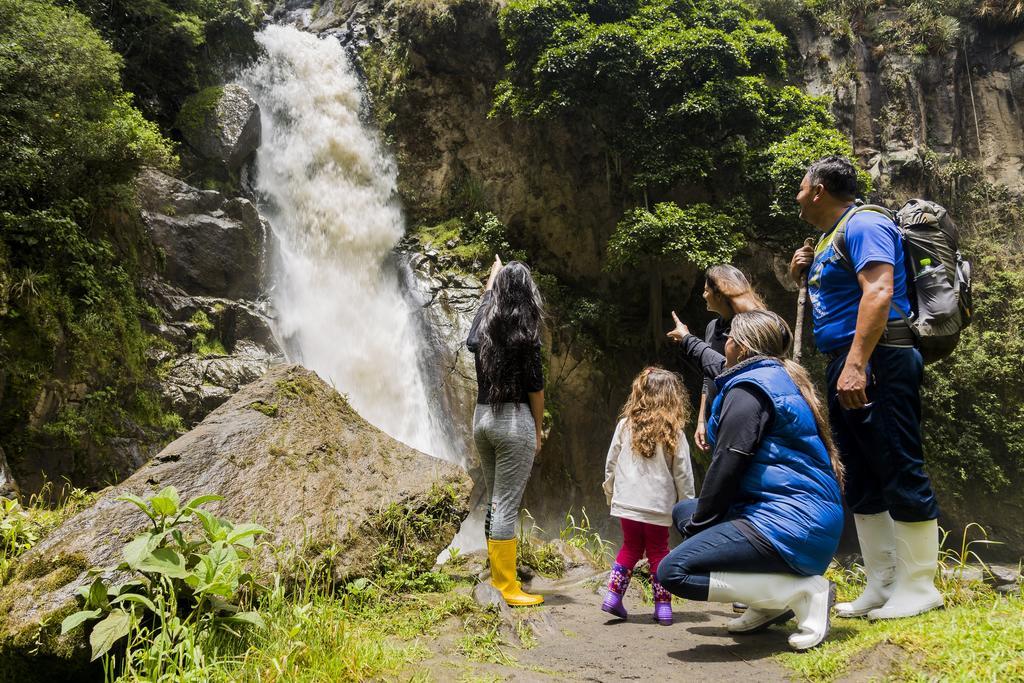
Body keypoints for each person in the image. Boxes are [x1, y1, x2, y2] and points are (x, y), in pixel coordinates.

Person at [789, 156, 943, 620]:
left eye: (801, 185)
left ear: (818, 190)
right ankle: (882, 583)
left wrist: (857, 363)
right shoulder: (829, 237)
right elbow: (838, 296)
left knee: (898, 460)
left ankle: (919, 586)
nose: (796, 195)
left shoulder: (866, 222)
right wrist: (803, 273)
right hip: (847, 361)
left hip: (879, 357)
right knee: (859, 472)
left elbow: (878, 292)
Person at [659, 310, 845, 651]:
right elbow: (717, 364)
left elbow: (726, 467)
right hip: (799, 518)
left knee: (674, 571)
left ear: (742, 348)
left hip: (791, 525)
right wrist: (687, 339)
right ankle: (768, 603)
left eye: (729, 338)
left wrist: (703, 526)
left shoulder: (748, 394)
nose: (724, 342)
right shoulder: (771, 375)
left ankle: (803, 593)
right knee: (685, 512)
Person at [467, 255, 546, 606]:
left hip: (482, 420)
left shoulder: (482, 332)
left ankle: (495, 574)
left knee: (495, 500)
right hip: (514, 422)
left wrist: (491, 282)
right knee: (505, 505)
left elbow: (476, 327)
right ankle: (505, 586)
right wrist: (539, 430)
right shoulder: (526, 336)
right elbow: (536, 389)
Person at [601, 367, 696, 625]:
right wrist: (688, 507)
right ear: (672, 397)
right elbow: (684, 473)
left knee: (630, 547)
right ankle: (663, 607)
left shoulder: (625, 426)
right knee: (658, 551)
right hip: (658, 505)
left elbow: (611, 462)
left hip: (628, 503)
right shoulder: (674, 432)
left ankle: (613, 596)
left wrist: (611, 491)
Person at [693, 265, 766, 453]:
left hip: (739, 415)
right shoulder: (712, 327)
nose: (703, 295)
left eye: (706, 290)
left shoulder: (749, 328)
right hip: (715, 416)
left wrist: (687, 340)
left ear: (719, 295)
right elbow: (707, 376)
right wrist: (702, 420)